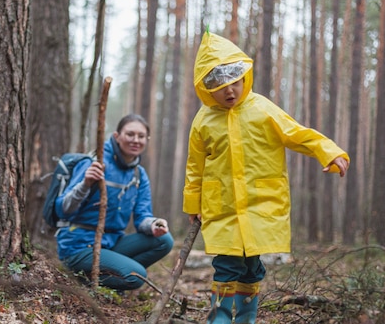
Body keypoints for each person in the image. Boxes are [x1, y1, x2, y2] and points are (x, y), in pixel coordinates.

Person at [182, 31, 350, 324]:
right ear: (207, 88)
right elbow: (194, 166)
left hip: (261, 205)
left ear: (244, 76)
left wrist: (330, 152)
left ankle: (246, 319)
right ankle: (219, 319)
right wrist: (192, 204)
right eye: (221, 86)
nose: (230, 91)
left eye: (234, 82)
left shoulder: (261, 108)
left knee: (252, 268)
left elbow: (297, 133)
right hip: (222, 208)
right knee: (226, 266)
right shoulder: (203, 120)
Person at [55, 114, 174, 291]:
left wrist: (153, 225)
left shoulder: (138, 174)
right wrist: (86, 184)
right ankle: (82, 279)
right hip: (79, 245)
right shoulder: (94, 163)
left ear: (146, 140)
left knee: (164, 240)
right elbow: (62, 209)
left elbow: (143, 216)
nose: (136, 140)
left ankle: (111, 277)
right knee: (136, 276)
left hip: (111, 243)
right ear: (117, 136)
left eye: (141, 136)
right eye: (130, 134)